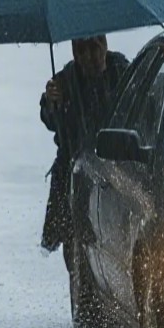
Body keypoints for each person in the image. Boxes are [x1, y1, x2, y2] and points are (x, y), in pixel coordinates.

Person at [39, 34, 130, 253]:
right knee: (75, 247)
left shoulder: (122, 71)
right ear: (74, 53)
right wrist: (52, 103)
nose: (89, 57)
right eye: (81, 51)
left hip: (114, 170)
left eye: (94, 48)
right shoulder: (64, 81)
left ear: (105, 46)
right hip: (74, 173)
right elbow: (51, 121)